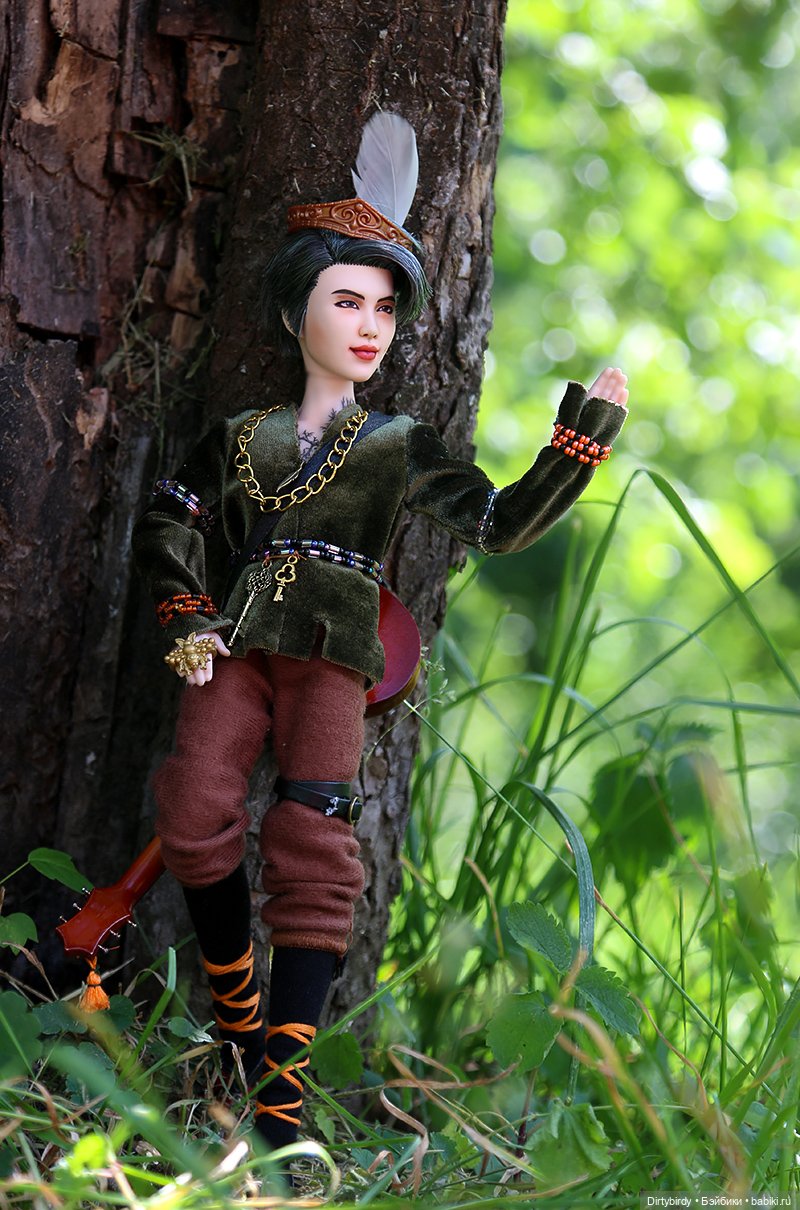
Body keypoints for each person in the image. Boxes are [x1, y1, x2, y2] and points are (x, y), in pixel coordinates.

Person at [131, 113, 629, 1156]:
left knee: (315, 847)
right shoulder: (242, 435)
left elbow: (495, 523)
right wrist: (184, 607)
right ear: (295, 310)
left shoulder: (399, 443)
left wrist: (573, 447)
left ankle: (280, 1099)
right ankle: (237, 1019)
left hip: (335, 655)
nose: (368, 326)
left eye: (385, 308)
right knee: (193, 802)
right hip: (234, 641)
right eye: (345, 301)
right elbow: (173, 514)